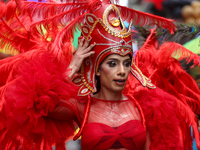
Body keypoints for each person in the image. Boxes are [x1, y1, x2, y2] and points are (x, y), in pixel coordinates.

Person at [0, 0, 200, 150]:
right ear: (96, 68)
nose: (122, 71)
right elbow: (34, 105)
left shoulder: (142, 105)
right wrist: (74, 65)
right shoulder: (82, 106)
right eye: (112, 64)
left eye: (126, 63)